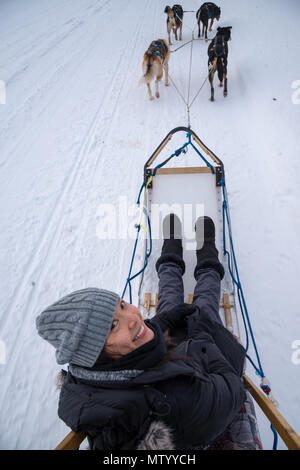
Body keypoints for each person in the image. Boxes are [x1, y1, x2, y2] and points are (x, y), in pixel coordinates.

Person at [36, 215, 247, 450]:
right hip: (206, 365)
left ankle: (171, 247)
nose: (135, 318)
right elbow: (233, 388)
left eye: (123, 305)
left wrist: (166, 320)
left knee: (168, 301)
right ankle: (206, 251)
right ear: (95, 353)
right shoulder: (172, 402)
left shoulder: (90, 370)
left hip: (166, 360)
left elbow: (142, 334)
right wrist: (202, 335)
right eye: (113, 325)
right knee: (206, 303)